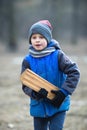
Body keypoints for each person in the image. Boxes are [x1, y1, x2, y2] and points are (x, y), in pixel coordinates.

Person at [21, 20, 80, 130]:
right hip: (38, 106)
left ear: (48, 39)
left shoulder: (58, 55)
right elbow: (25, 83)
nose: (37, 40)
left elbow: (74, 72)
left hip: (58, 104)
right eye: (34, 37)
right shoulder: (27, 60)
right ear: (30, 40)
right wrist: (35, 93)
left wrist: (64, 92)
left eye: (41, 37)